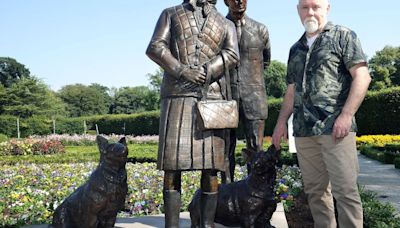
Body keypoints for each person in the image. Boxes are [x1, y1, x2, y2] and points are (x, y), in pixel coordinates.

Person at [272, 0, 371, 227]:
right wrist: (279, 124)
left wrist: (346, 115)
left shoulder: (343, 36)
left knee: (345, 192)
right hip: (304, 132)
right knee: (316, 193)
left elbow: (362, 77)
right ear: (298, 11)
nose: (310, 12)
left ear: (327, 8)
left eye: (315, 6)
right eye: (305, 7)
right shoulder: (295, 49)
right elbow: (291, 91)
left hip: (335, 128)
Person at [146, 0, 239, 227]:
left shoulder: (226, 23)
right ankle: (172, 225)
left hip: (211, 100)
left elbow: (232, 53)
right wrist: (182, 70)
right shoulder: (170, 14)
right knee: (172, 167)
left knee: (211, 168)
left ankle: (206, 224)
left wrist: (208, 70)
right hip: (176, 96)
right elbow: (156, 47)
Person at [223, 0, 271, 182]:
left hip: (255, 97)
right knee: (225, 148)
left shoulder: (260, 29)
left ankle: (255, 189)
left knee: (256, 148)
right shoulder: (218, 27)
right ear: (226, 1)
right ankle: (226, 190)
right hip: (225, 97)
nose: (239, 1)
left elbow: (265, 61)